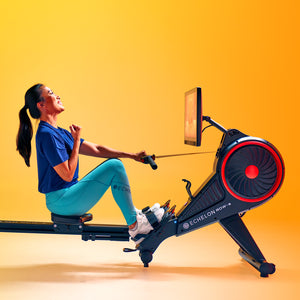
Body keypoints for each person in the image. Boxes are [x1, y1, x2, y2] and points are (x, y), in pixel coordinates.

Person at [16, 83, 164, 243]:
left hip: (67, 197)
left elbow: (97, 149)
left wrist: (132, 155)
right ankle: (136, 226)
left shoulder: (59, 132)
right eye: (52, 93)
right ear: (42, 105)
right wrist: (76, 140)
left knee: (115, 164)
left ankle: (135, 217)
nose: (57, 96)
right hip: (62, 201)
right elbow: (67, 175)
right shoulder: (47, 135)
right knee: (114, 166)